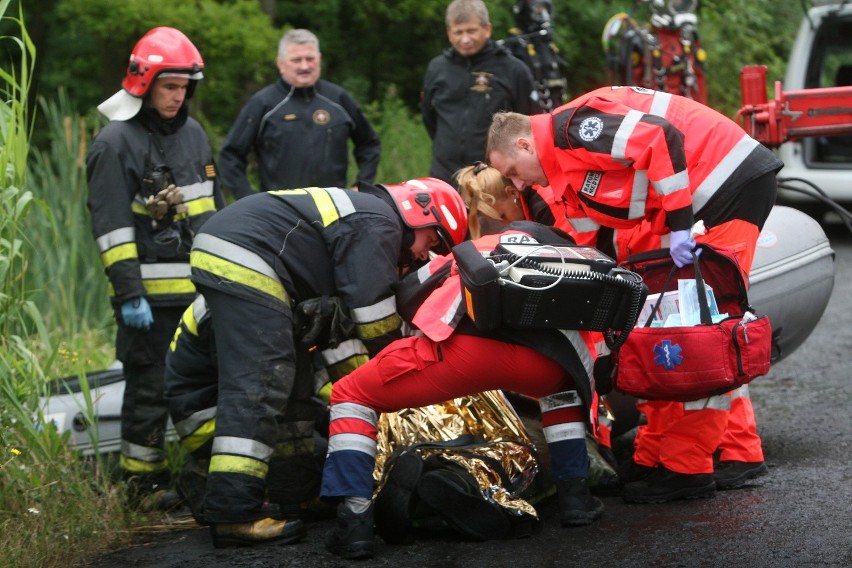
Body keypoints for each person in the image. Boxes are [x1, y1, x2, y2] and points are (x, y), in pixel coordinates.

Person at [486, 85, 781, 502]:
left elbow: (661, 138)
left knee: (699, 334)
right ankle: (688, 453)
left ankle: (688, 467)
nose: (518, 182)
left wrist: (680, 222)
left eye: (514, 170)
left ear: (523, 144)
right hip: (701, 196)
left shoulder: (572, 130)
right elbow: (588, 247)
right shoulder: (561, 167)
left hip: (723, 189)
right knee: (666, 329)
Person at [185, 179, 467, 547]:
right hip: (244, 255)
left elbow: (348, 329)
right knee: (262, 385)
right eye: (431, 241)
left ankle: (294, 493)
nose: (420, 256)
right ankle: (233, 513)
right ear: (419, 212)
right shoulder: (380, 222)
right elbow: (373, 319)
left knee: (293, 389)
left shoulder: (367, 218)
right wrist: (402, 365)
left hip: (244, 253)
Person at [321, 221, 611, 560]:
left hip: (468, 353)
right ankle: (576, 500)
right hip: (551, 366)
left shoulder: (483, 245)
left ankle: (353, 523)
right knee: (562, 395)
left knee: (350, 395)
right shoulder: (572, 259)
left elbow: (412, 292)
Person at [86, 26, 225, 507]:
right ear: (143, 83)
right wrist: (129, 295)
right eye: (169, 86)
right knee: (147, 391)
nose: (178, 96)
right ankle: (141, 487)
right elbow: (111, 228)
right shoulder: (114, 143)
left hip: (198, 295)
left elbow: (213, 210)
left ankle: (201, 475)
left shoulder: (193, 134)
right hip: (146, 302)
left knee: (204, 386)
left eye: (185, 86)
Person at [218, 29, 381, 198]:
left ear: (319, 59)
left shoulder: (338, 99)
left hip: (334, 210)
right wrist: (250, 200)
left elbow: (369, 144)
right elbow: (230, 156)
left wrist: (362, 186)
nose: (304, 66)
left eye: (310, 59)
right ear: (281, 64)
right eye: (296, 60)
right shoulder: (263, 104)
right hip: (281, 213)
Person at [422, 0, 540, 186]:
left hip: (494, 178)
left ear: (487, 29)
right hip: (444, 176)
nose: (465, 39)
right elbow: (429, 118)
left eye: (471, 31)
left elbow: (531, 123)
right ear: (448, 33)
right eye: (458, 32)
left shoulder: (513, 69)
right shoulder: (437, 68)